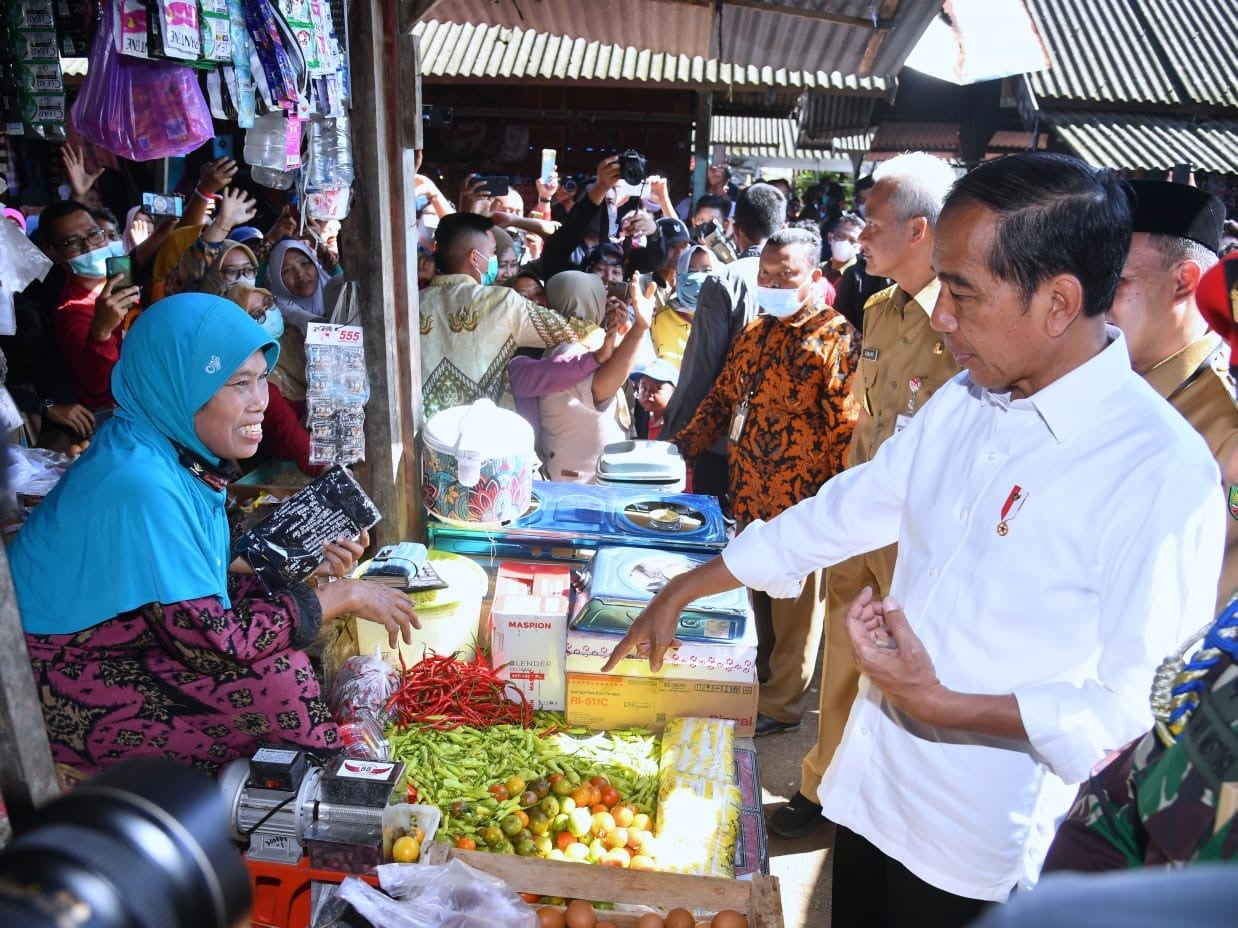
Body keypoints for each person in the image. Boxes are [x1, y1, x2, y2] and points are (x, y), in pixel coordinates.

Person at [602, 153, 1225, 926]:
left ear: (1059, 302)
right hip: (873, 788)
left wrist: (946, 703)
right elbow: (850, 507)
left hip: (977, 847)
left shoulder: (1157, 469)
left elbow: (1130, 710)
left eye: (962, 292)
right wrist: (692, 583)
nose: (940, 318)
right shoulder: (969, 400)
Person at [9, 293, 419, 774]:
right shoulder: (139, 480)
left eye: (262, 378)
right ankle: (313, 799)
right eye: (238, 383)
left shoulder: (159, 445)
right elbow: (214, 645)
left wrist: (296, 559)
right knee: (278, 682)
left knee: (272, 602)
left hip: (116, 633)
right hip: (48, 676)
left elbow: (197, 560)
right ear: (178, 385)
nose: (261, 401)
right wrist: (341, 595)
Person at [770, 151, 961, 837]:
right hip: (863, 518)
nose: (860, 233)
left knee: (907, 668)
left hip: (922, 534)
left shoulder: (963, 319)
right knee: (844, 660)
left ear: (918, 230)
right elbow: (868, 414)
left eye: (874, 222)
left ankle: (885, 803)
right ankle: (825, 789)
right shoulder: (878, 309)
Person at [673, 227, 859, 736]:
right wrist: (680, 447)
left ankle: (781, 705)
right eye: (766, 273)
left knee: (797, 610)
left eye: (786, 275)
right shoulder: (755, 332)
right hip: (750, 494)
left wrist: (838, 506)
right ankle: (756, 680)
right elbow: (720, 401)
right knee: (757, 598)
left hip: (803, 505)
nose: (772, 282)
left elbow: (848, 428)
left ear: (815, 277)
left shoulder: (836, 339)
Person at [1105, 180, 1235, 613]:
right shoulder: (1095, 383)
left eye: (1116, 284)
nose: (1093, 305)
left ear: (1183, 282)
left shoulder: (1226, 419)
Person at [663, 182, 787, 504]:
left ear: (736, 228)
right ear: (782, 227)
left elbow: (701, 366)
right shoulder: (802, 281)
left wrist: (675, 432)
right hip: (779, 439)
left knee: (715, 530)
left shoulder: (726, 279)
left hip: (721, 439)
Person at [419, 212, 577, 419]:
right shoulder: (502, 302)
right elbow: (570, 332)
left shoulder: (414, 302)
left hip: (427, 436)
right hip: (486, 436)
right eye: (493, 253)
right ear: (474, 258)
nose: (494, 260)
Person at [509, 271, 650, 482]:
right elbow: (600, 389)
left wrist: (623, 334)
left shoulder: (590, 342)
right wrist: (639, 329)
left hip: (586, 476)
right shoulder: (570, 350)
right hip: (580, 485)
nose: (537, 303)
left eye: (540, 294)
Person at [37, 199, 140, 410]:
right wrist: (100, 333)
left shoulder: (120, 271)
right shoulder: (71, 312)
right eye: (73, 243)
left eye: (94, 234)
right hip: (120, 412)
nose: (90, 247)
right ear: (53, 253)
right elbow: (98, 386)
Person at [650, 244, 714, 369]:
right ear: (678, 276)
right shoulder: (664, 318)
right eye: (691, 271)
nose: (698, 278)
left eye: (707, 271)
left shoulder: (722, 317)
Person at [268, 238, 331, 333]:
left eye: (305, 263)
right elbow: (296, 316)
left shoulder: (339, 291)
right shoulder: (275, 317)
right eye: (287, 270)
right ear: (278, 280)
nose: (300, 274)